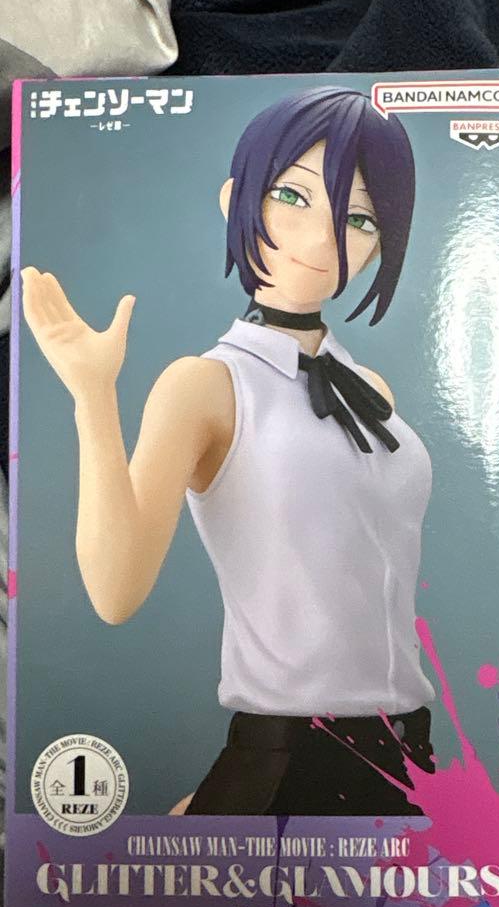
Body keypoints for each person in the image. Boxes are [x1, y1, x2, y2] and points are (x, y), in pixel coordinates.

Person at [19, 86, 436, 817]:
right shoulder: (208, 384)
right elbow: (115, 591)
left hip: (407, 748)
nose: (322, 240)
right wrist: (92, 395)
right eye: (292, 196)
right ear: (234, 199)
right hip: (293, 751)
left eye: (359, 218)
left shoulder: (369, 389)